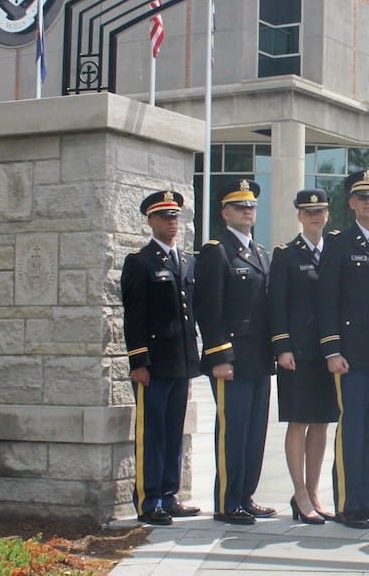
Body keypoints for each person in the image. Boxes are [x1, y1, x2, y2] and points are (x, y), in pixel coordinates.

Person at [318, 169, 369, 529]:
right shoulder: (338, 243)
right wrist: (332, 349)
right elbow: (327, 300)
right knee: (351, 429)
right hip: (349, 356)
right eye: (362, 197)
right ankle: (348, 503)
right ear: (351, 203)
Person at [194, 179, 276, 526]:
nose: (247, 211)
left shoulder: (260, 253)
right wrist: (220, 356)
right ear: (224, 212)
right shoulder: (217, 251)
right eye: (240, 206)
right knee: (233, 430)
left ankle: (246, 495)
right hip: (232, 359)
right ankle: (228, 501)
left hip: (258, 357)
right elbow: (208, 308)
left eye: (252, 206)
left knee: (254, 431)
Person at [119, 190, 202, 525]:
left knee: (173, 430)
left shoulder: (186, 260)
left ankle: (169, 495)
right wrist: (138, 362)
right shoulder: (140, 262)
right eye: (165, 217)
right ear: (150, 221)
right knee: (152, 432)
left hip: (180, 360)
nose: (171, 222)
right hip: (154, 364)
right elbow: (134, 317)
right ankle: (149, 499)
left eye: (175, 217)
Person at [269, 188, 339, 525]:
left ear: (327, 215)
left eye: (320, 211)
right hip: (297, 353)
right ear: (299, 215)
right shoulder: (285, 255)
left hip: (327, 352)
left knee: (322, 421)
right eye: (308, 212)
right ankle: (298, 493)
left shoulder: (335, 251)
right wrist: (282, 347)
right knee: (299, 421)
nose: (315, 217)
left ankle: (314, 491)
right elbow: (277, 306)